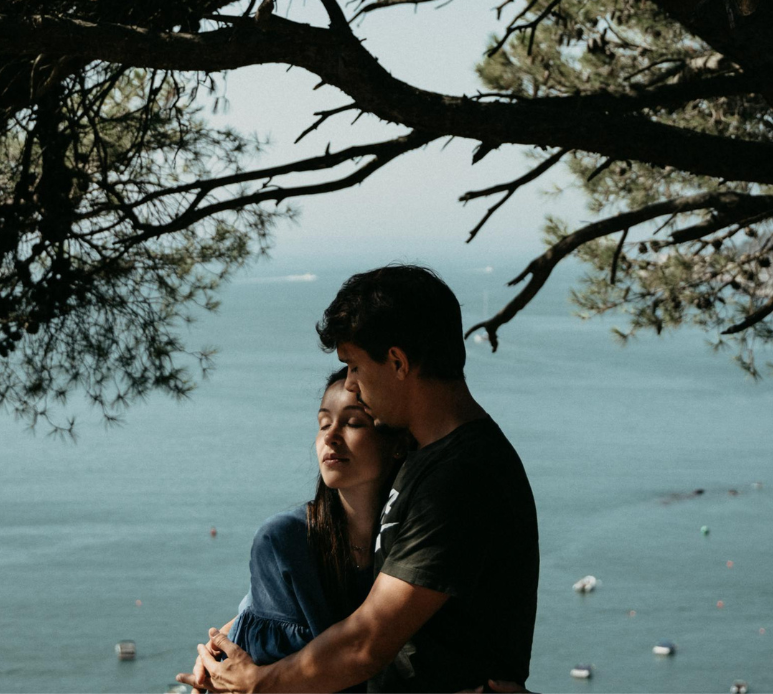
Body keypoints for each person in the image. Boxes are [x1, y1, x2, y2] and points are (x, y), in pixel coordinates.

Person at [186, 264, 540, 693]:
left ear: (397, 362)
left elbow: (368, 641)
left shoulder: (462, 477)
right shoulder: (424, 458)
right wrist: (239, 629)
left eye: (353, 365)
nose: (351, 384)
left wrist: (260, 683)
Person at [179, 368, 411, 691]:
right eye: (323, 423)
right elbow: (264, 665)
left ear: (397, 443)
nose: (330, 437)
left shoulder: (416, 538)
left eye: (353, 422)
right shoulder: (285, 542)